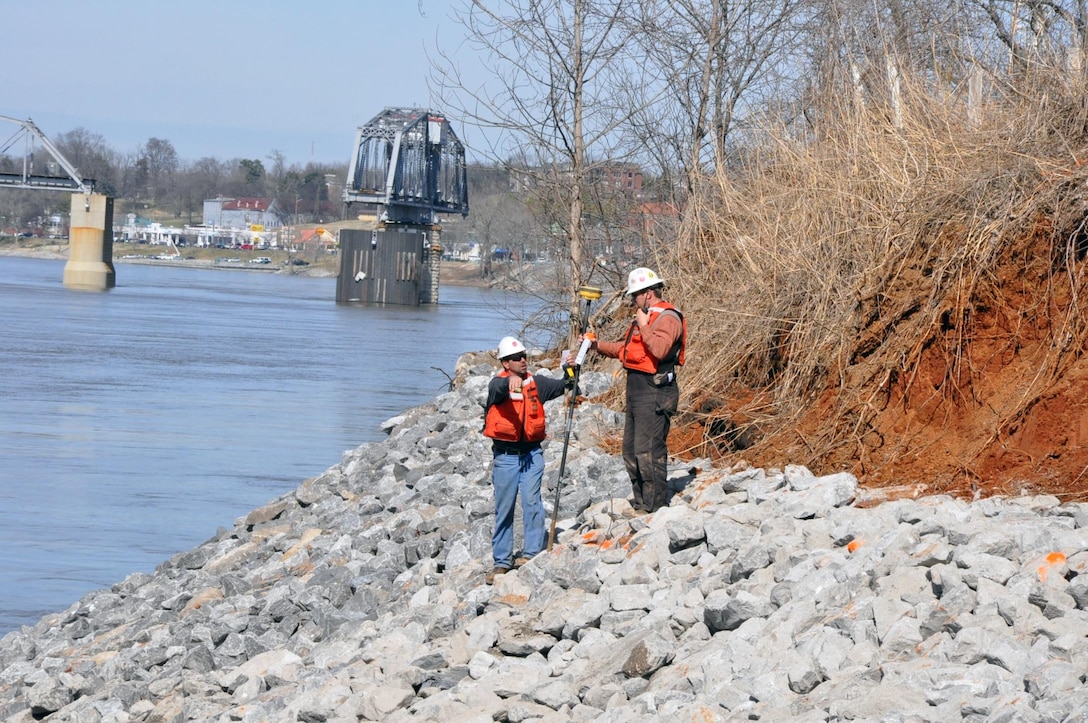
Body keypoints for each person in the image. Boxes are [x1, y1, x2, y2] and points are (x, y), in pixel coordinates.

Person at [582, 267, 687, 513]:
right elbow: (627, 349)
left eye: (635, 296)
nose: (633, 301)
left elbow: (660, 350)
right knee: (630, 450)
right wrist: (595, 345)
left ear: (648, 294)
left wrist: (644, 325)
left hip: (656, 389)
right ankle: (641, 501)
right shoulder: (646, 318)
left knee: (648, 450)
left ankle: (654, 506)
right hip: (637, 388)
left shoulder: (668, 318)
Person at [482, 336, 571, 584]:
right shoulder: (497, 385)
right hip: (506, 458)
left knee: (533, 503)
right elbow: (497, 390)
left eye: (524, 356)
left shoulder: (537, 384)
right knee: (505, 508)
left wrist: (571, 368)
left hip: (532, 455)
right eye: (516, 358)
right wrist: (509, 381)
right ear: (505, 363)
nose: (522, 361)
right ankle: (502, 561)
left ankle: (531, 554)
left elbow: (568, 384)